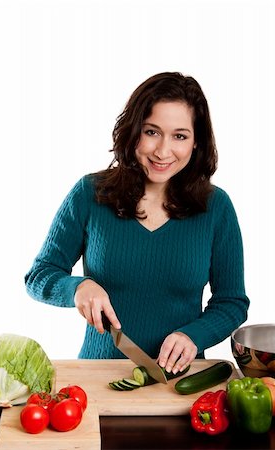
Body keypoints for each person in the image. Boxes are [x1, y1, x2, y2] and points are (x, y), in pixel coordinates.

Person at [25, 72, 250, 375]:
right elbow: (39, 275)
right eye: (152, 132)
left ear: (196, 143)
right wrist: (78, 288)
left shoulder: (216, 207)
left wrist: (193, 336)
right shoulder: (89, 194)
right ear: (133, 132)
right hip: (96, 377)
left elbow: (232, 302)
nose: (162, 151)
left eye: (180, 136)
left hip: (181, 383)